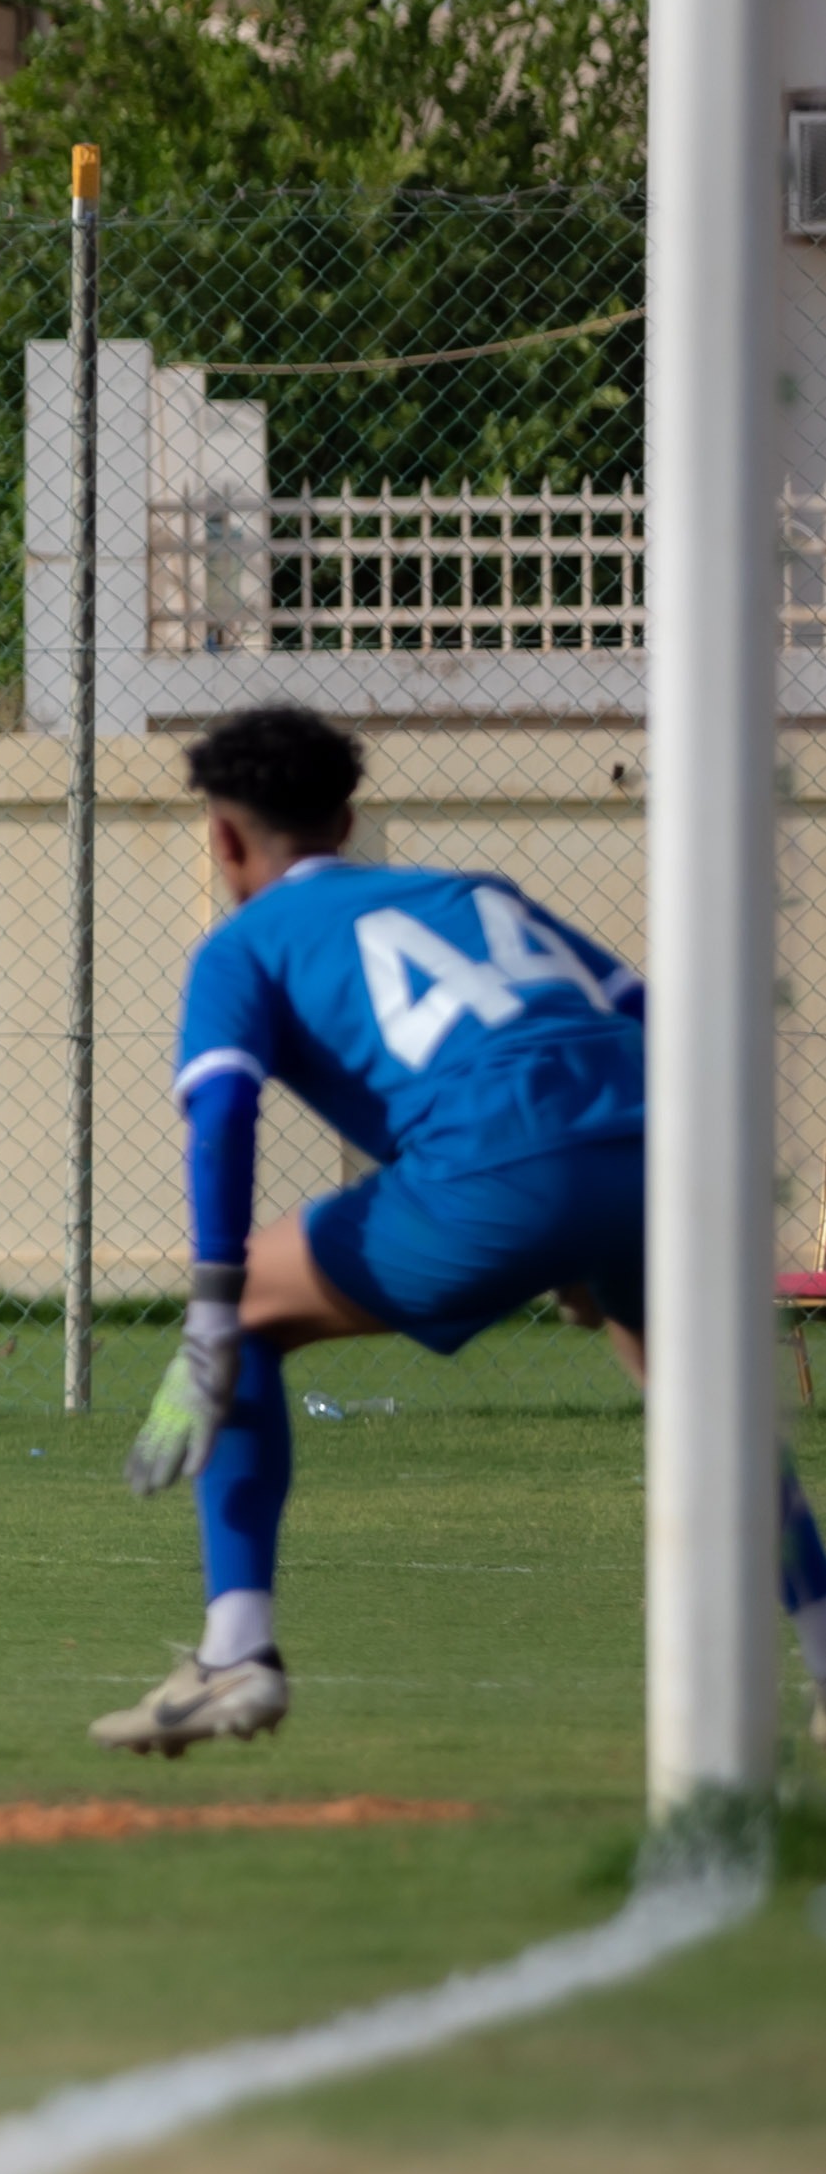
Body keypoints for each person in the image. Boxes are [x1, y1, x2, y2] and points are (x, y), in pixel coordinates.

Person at [110, 702, 826, 1754]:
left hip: (490, 1171)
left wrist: (213, 1308)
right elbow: (650, 1013)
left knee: (255, 1313)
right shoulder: (472, 893)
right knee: (700, 1403)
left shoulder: (238, 947)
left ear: (220, 836)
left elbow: (219, 1111)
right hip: (658, 1142)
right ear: (346, 819)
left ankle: (234, 1652)